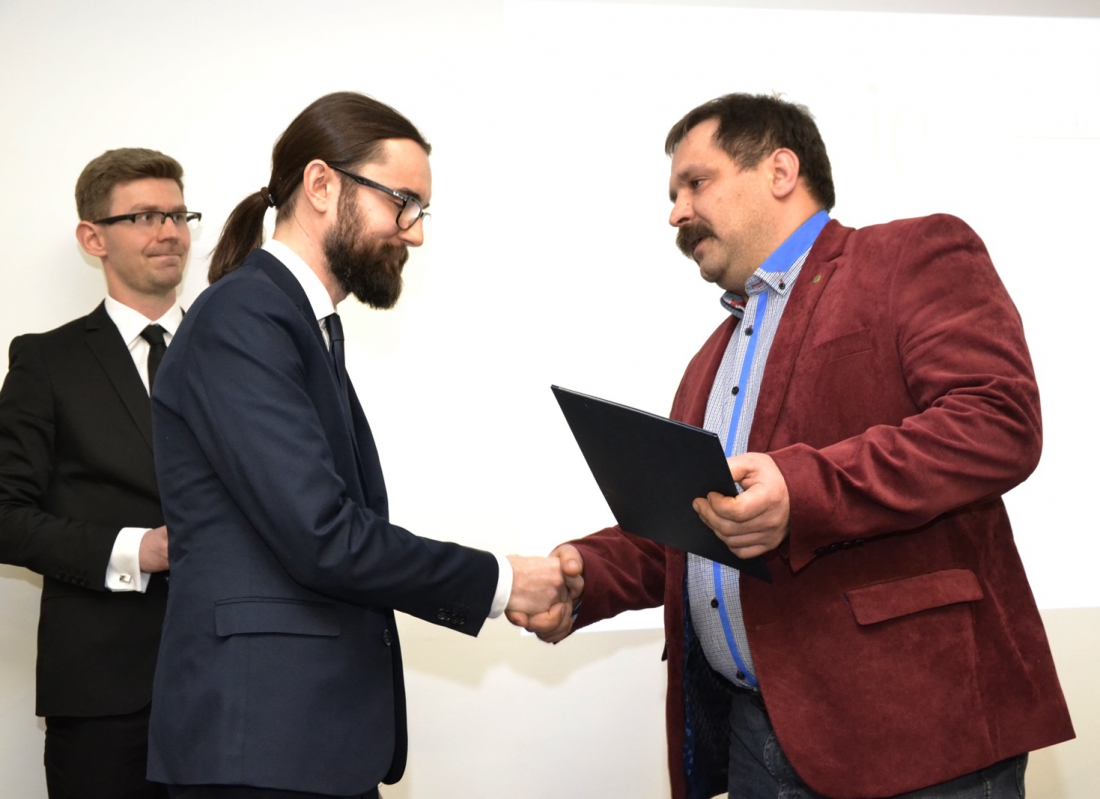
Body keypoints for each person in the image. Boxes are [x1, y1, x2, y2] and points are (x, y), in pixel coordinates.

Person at [513, 94, 1075, 799]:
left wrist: (801, 492)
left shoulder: (911, 255)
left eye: (695, 183)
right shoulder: (707, 364)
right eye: (672, 195)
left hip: (921, 736)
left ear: (780, 170)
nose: (677, 213)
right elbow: (701, 523)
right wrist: (586, 574)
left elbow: (998, 420)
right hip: (757, 738)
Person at [146, 91, 577, 799]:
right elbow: (324, 536)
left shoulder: (300, 323)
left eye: (421, 210)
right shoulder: (244, 318)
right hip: (259, 743)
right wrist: (502, 581)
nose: (415, 232)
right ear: (321, 185)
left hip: (302, 742)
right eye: (402, 202)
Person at [0, 147, 197, 799]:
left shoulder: (239, 353)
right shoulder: (45, 362)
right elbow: (5, 516)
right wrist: (137, 549)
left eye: (178, 215)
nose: (168, 231)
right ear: (94, 238)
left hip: (238, 683)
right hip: (103, 698)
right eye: (144, 216)